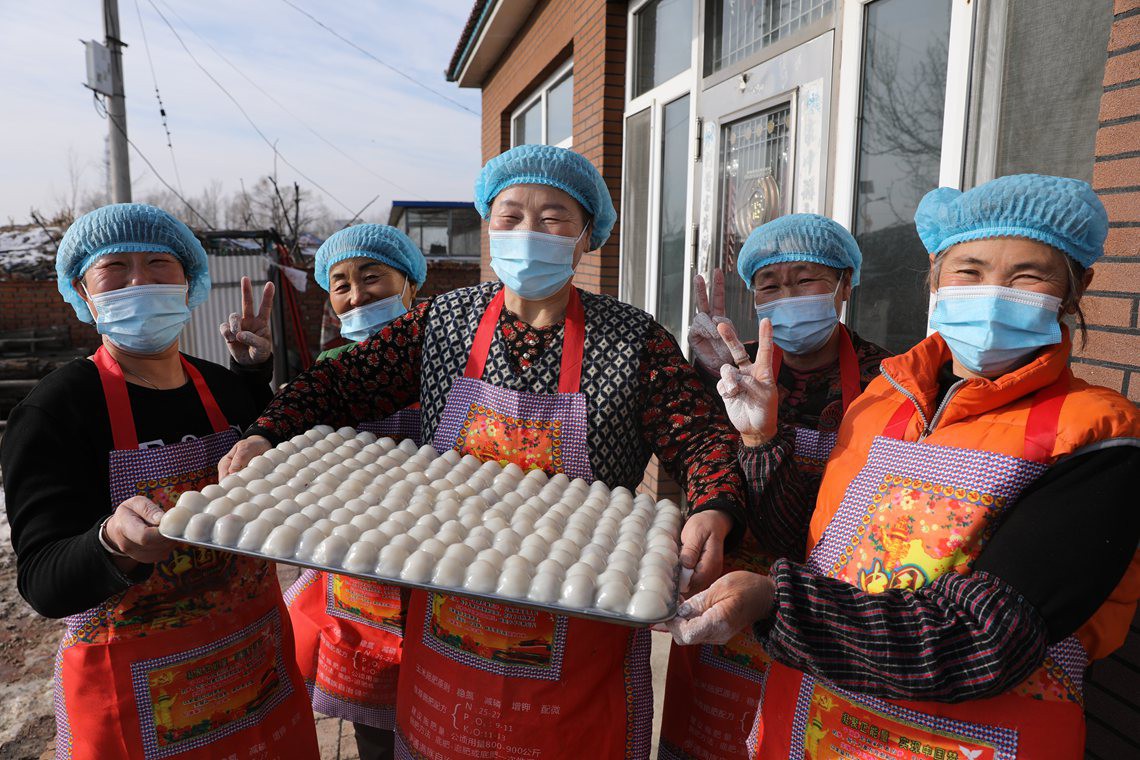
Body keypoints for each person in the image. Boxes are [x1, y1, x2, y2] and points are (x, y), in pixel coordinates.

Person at [218, 144, 747, 758]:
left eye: (553, 219)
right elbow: (341, 382)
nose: (530, 231)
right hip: (449, 619)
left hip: (583, 628)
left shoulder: (631, 340)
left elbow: (700, 434)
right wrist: (269, 429)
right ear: (488, 227)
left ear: (585, 238)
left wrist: (715, 504)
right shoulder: (443, 325)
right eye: (511, 215)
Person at [668, 175, 1140, 759]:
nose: (992, 293)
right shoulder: (884, 401)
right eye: (969, 271)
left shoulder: (1099, 435)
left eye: (1026, 276)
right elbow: (811, 548)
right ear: (935, 283)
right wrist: (761, 438)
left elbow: (985, 639)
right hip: (819, 723)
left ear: (1075, 288)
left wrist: (775, 602)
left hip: (973, 737)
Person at [1, 203, 319, 760]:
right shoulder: (56, 410)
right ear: (83, 289)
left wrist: (254, 378)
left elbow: (284, 479)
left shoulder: (225, 387)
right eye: (114, 268)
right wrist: (112, 544)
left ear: (189, 282)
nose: (140, 280)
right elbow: (43, 581)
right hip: (141, 702)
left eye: (158, 263)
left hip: (256, 673)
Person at [660, 214, 890, 759]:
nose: (787, 294)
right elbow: (704, 460)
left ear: (845, 285)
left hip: (828, 610)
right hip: (725, 594)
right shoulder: (734, 372)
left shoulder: (889, 379)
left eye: (806, 279)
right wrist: (698, 380)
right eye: (770, 284)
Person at [282, 224, 426, 760]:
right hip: (359, 585)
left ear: (409, 283)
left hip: (443, 568)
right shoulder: (327, 374)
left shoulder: (449, 364)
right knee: (376, 725)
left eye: (372, 277)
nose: (357, 294)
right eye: (340, 284)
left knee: (450, 709)